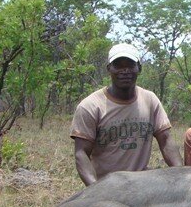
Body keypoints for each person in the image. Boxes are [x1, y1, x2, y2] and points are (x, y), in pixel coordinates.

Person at [71, 43, 182, 186]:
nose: (125, 71)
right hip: (106, 185)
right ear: (109, 69)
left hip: (141, 183)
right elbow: (81, 154)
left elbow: (166, 140)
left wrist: (180, 176)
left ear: (139, 68)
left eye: (130, 65)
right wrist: (95, 189)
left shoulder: (150, 100)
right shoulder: (90, 106)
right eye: (118, 65)